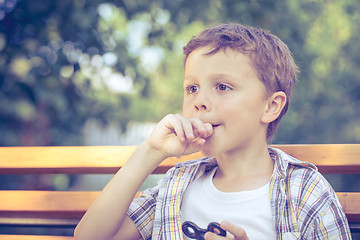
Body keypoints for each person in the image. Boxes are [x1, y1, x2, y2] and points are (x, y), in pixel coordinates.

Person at [74, 23, 351, 240]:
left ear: (271, 107)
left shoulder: (305, 192)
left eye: (222, 87)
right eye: (192, 88)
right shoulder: (177, 185)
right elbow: (91, 236)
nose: (199, 100)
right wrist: (151, 151)